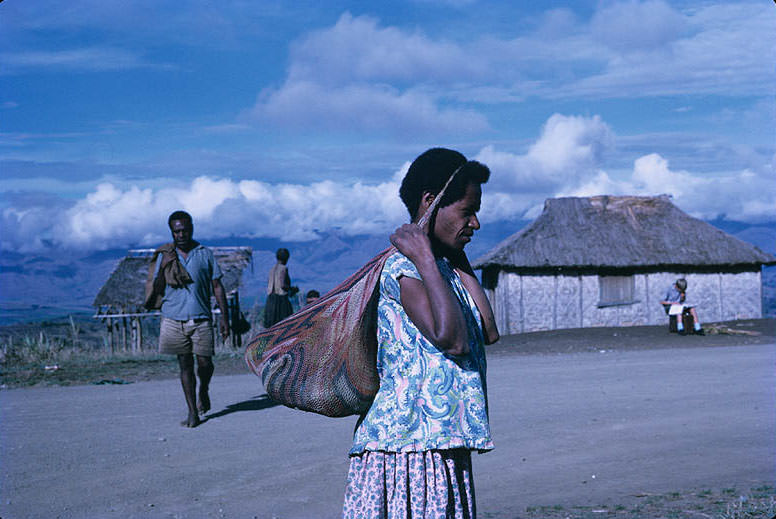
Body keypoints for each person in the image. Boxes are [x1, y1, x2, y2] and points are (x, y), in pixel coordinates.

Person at [343, 148, 500, 518]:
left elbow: (488, 331)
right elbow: (454, 339)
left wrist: (451, 258)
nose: (474, 224)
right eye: (466, 212)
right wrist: (425, 257)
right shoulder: (405, 268)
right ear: (430, 202)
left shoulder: (445, 268)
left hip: (438, 442)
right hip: (408, 450)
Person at [149, 210, 230, 428]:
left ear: (192, 229)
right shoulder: (165, 255)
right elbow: (156, 289)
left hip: (201, 317)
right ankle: (192, 410)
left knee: (205, 362)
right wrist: (164, 265)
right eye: (177, 232)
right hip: (173, 318)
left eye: (185, 230)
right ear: (171, 232)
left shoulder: (204, 254)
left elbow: (217, 287)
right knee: (185, 364)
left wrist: (225, 318)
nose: (181, 235)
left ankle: (203, 389)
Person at [263, 248, 297, 328]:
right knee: (285, 323)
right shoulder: (283, 268)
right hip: (281, 300)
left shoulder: (271, 270)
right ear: (286, 258)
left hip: (270, 300)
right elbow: (282, 285)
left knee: (271, 325)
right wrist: (292, 289)